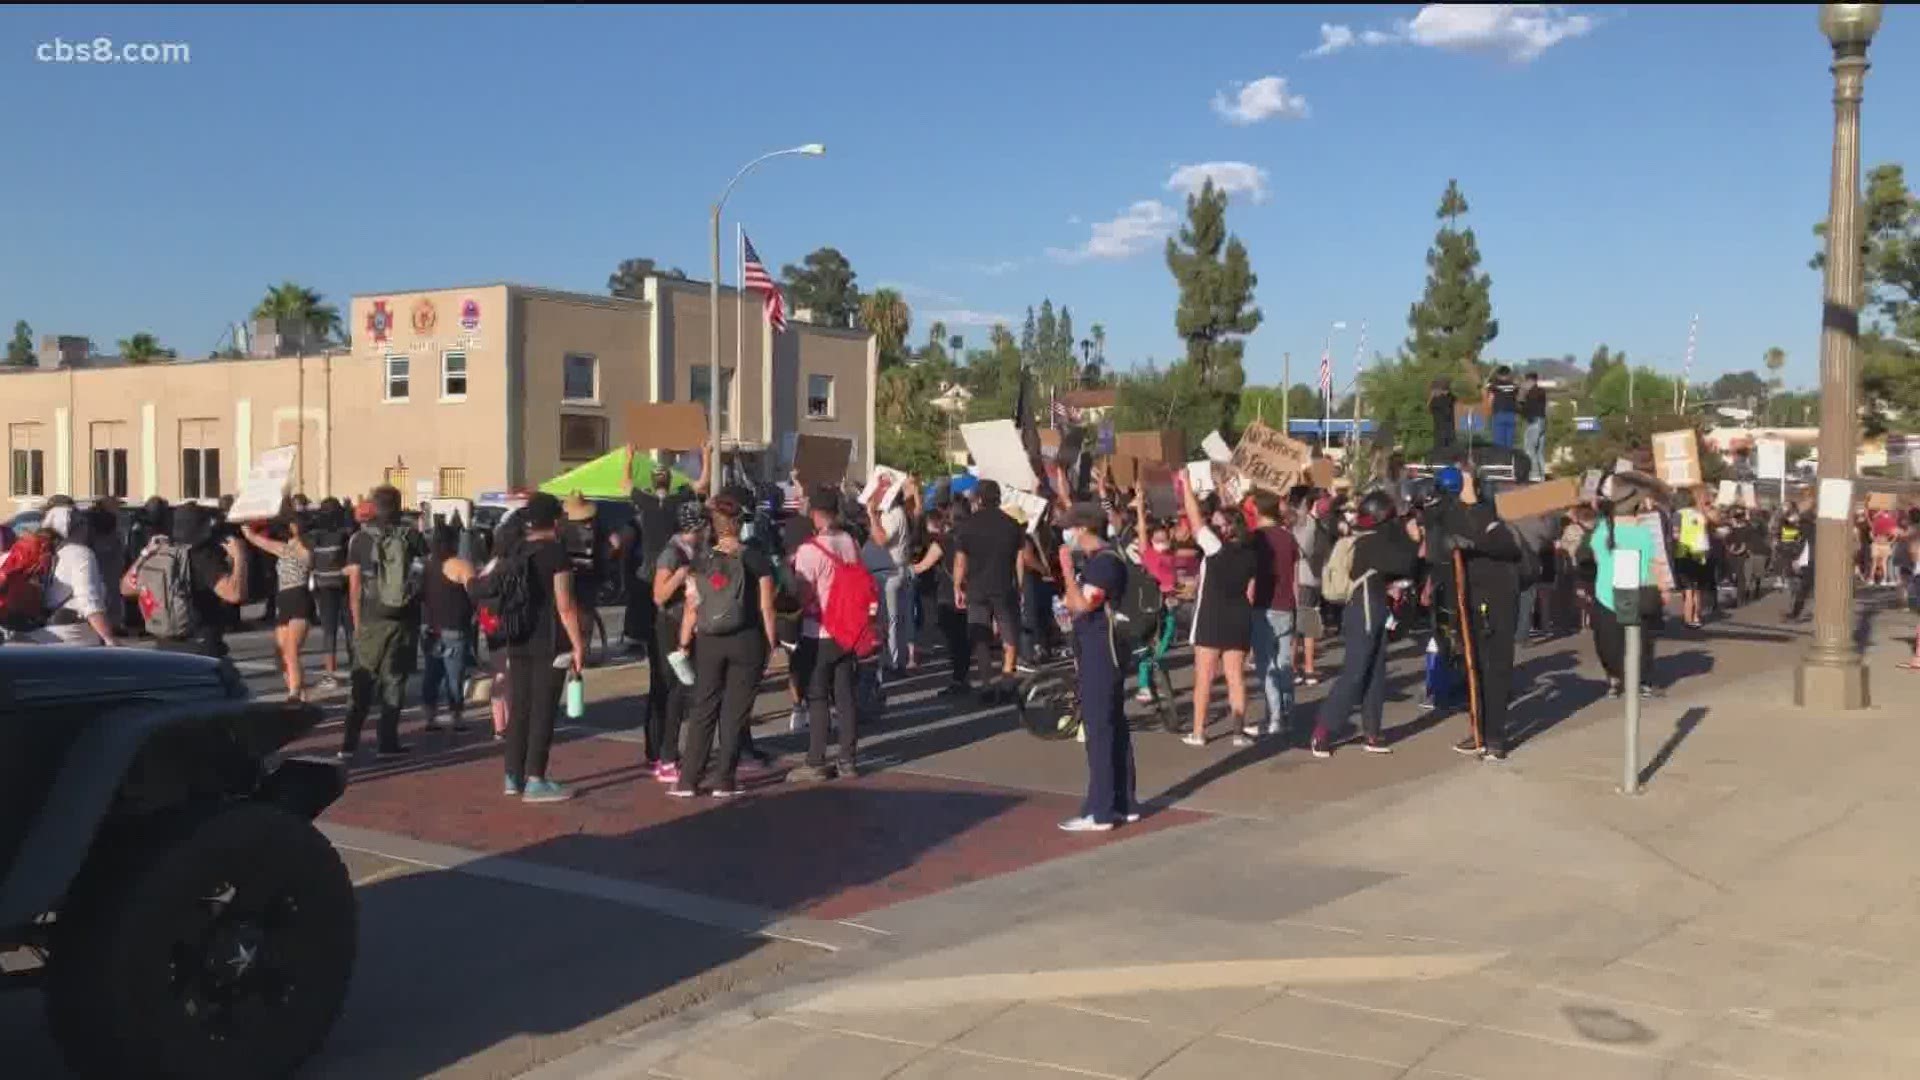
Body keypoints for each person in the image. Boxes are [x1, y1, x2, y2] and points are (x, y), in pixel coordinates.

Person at [672, 495, 779, 798]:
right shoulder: (755, 558)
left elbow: (692, 606)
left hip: (708, 641)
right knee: (734, 711)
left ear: (714, 526)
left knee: (703, 707)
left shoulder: (700, 561)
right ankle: (724, 779)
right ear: (738, 524)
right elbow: (766, 607)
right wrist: (772, 643)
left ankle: (689, 779)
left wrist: (684, 642)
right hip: (746, 639)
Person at [1310, 491, 1419, 758]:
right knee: (1356, 672)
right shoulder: (1371, 542)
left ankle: (1372, 732)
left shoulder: (1371, 539)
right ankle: (1322, 730)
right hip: (1364, 610)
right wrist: (1413, 538)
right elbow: (1406, 563)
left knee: (1376, 673)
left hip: (1374, 608)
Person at [497, 492, 588, 803]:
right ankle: (536, 778)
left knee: (520, 706)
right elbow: (565, 605)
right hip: (549, 641)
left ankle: (512, 775)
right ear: (554, 520)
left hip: (517, 636)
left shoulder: (515, 549)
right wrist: (578, 644)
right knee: (543, 709)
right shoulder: (556, 553)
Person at [1055, 503, 1138, 832]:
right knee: (1113, 724)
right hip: (1101, 648)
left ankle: (1100, 810)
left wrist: (1065, 571)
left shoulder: (1103, 564)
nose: (1068, 535)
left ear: (1084, 528)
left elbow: (1082, 603)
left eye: (1071, 528)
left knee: (1099, 729)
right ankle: (1123, 802)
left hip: (1101, 651)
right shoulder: (1103, 559)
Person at [627, 446, 711, 761]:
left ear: (652, 483)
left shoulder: (646, 502)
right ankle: (667, 749)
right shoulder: (678, 507)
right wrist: (707, 455)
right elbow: (702, 484)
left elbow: (624, 485)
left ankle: (658, 747)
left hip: (651, 580)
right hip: (670, 592)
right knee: (675, 677)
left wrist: (629, 457)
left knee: (660, 678)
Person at [1438, 471, 1524, 762]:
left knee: (1495, 668)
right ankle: (1480, 733)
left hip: (1497, 600)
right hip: (1472, 600)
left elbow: (1507, 546)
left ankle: (1495, 738)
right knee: (1474, 667)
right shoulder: (1452, 513)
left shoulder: (1490, 513)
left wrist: (1473, 543)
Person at [342, 485, 428, 761]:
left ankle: (349, 743)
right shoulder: (412, 535)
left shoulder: (359, 539)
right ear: (398, 506)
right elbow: (421, 576)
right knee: (395, 680)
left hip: (371, 616)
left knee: (362, 680)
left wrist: (356, 623)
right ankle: (387, 741)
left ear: (373, 506)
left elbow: (354, 586)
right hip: (403, 616)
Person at [788, 486, 865, 781]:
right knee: (845, 696)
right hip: (846, 629)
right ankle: (848, 759)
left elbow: (804, 594)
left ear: (815, 514)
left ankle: (816, 759)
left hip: (817, 630)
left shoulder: (810, 550)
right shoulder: (850, 542)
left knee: (818, 696)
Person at [1178, 473, 1256, 748]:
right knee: (1236, 677)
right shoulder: (1249, 552)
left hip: (1211, 617)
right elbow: (1251, 589)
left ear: (1227, 529)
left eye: (1218, 523)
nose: (1213, 525)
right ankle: (1238, 731)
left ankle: (1199, 732)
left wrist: (1186, 485)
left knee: (1204, 678)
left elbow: (1195, 518)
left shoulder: (1216, 549)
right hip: (1238, 617)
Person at [122, 502, 247, 658]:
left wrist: (145, 554)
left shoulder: (160, 554)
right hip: (201, 644)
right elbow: (234, 593)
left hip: (164, 645)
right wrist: (240, 555)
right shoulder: (203, 557)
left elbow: (126, 588)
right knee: (227, 681)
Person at [645, 500, 708, 784]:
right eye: (702, 526)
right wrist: (682, 575)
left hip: (687, 624)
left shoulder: (695, 550)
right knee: (674, 688)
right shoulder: (672, 554)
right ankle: (665, 755)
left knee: (680, 690)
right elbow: (658, 595)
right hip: (670, 626)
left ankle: (667, 753)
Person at [1586, 481, 1668, 699]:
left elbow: (1594, 557)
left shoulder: (1602, 530)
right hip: (1637, 591)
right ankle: (1640, 681)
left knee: (1608, 643)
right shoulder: (1644, 532)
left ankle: (1616, 678)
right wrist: (1662, 588)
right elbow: (1654, 563)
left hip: (1606, 593)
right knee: (1640, 641)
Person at [952, 479, 1026, 703]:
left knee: (980, 635)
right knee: (1008, 632)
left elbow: (960, 560)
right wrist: (1020, 586)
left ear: (979, 499)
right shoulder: (1012, 524)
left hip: (976, 586)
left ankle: (986, 684)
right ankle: (1006, 678)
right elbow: (1020, 559)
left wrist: (957, 585)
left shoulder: (967, 525)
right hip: (1004, 584)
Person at [14, 507, 119, 647]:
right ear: (74, 528)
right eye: (83, 523)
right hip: (75, 634)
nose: (88, 528)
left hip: (44, 632)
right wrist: (110, 639)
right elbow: (88, 601)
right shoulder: (80, 553)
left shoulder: (46, 553)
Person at [243, 506, 315, 701]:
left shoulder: (305, 548)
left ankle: (293, 693)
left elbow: (306, 556)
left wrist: (298, 532)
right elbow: (256, 540)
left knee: (291, 650)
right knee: (281, 654)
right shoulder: (285, 548)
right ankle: (299, 692)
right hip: (283, 599)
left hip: (299, 597)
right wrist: (246, 525)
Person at [1248, 490, 1300, 739]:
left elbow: (1251, 579)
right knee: (1284, 663)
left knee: (1266, 666)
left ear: (1258, 510)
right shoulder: (1288, 538)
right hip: (1286, 606)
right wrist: (1296, 607)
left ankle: (1274, 716)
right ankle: (1287, 711)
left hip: (1262, 606)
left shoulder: (1255, 539)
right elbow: (1295, 578)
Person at [421, 523, 476, 734]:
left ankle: (430, 717)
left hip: (431, 627)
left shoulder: (425, 565)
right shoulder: (461, 566)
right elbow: (475, 592)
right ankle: (456, 717)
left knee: (432, 674)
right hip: (456, 627)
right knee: (455, 676)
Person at [911, 508, 968, 696]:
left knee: (953, 639)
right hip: (970, 592)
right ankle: (963, 677)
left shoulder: (943, 541)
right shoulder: (970, 537)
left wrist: (903, 568)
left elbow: (922, 566)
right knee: (963, 638)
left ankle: (958, 680)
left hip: (948, 594)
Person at [865, 477, 918, 676]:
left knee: (891, 621)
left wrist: (872, 515)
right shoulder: (893, 513)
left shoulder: (894, 514)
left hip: (891, 572)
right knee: (893, 620)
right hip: (891, 571)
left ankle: (895, 662)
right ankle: (895, 659)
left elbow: (881, 540)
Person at [309, 499, 353, 689]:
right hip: (344, 583)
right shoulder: (345, 533)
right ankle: (356, 668)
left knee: (329, 630)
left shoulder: (315, 534)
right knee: (351, 628)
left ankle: (330, 674)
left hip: (324, 585)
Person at [1292, 490, 1330, 687]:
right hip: (1305, 580)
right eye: (1325, 498)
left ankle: (1305, 667)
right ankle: (1299, 668)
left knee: (1307, 627)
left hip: (1312, 580)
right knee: (1302, 628)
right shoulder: (1307, 522)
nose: (1328, 502)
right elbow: (1301, 550)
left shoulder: (1316, 522)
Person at [1675, 489, 1713, 629]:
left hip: (1685, 553)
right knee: (1697, 589)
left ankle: (1687, 619)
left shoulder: (1679, 514)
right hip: (1701, 553)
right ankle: (1697, 617)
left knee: (1688, 589)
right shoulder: (1701, 515)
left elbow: (1675, 535)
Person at [1484, 365, 1520, 450]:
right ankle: (1509, 460)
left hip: (1499, 414)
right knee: (1509, 442)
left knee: (1498, 443)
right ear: (1508, 375)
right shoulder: (1514, 386)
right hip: (1511, 415)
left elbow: (1487, 389)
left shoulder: (1494, 386)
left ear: (1498, 375)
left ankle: (1500, 460)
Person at [1520, 372, 1549, 480]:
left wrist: (1521, 403)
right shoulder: (1542, 391)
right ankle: (1542, 476)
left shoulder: (1531, 393)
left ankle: (1534, 475)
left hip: (1534, 422)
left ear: (1529, 381)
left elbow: (1526, 409)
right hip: (1542, 422)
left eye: (1525, 382)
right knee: (1539, 452)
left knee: (1530, 449)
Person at [1428, 379, 1458, 450]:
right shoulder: (1451, 398)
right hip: (1450, 431)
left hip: (1441, 433)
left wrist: (1432, 397)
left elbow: (1429, 409)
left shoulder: (1437, 400)